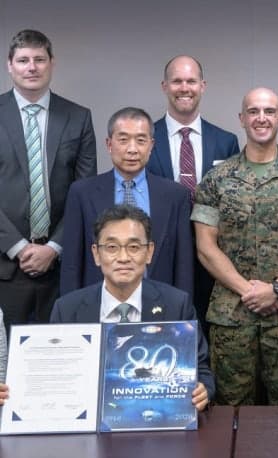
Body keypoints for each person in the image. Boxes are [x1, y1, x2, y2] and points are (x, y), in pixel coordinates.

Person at [192, 87, 278, 406]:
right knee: (230, 409)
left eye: (269, 111)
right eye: (253, 111)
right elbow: (205, 247)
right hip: (232, 317)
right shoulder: (216, 179)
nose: (261, 118)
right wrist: (250, 291)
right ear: (242, 118)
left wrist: (276, 289)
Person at [50, 205, 213, 411]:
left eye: (134, 247)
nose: (123, 258)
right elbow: (54, 374)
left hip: (155, 418)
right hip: (88, 416)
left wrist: (203, 390)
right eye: (112, 247)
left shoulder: (176, 304)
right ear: (96, 254)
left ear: (149, 252)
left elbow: (201, 371)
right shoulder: (67, 309)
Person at [0, 29, 96, 332]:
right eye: (23, 60)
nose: (32, 67)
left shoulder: (78, 117)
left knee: (59, 353)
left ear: (52, 63)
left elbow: (85, 192)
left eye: (39, 59)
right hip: (5, 265)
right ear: (10, 65)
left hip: (60, 266)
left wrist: (54, 247)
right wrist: (18, 247)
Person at [146, 55, 240, 332]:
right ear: (164, 86)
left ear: (203, 86)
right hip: (161, 256)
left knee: (209, 333)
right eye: (177, 81)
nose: (184, 88)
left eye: (191, 81)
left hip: (213, 261)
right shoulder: (146, 139)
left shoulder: (225, 141)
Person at [60, 107, 193, 299]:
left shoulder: (175, 195)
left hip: (159, 304)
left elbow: (183, 266)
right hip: (98, 304)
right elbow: (71, 264)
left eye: (141, 140)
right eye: (123, 140)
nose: (132, 149)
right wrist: (72, 310)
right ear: (109, 144)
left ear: (151, 145)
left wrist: (183, 309)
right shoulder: (82, 193)